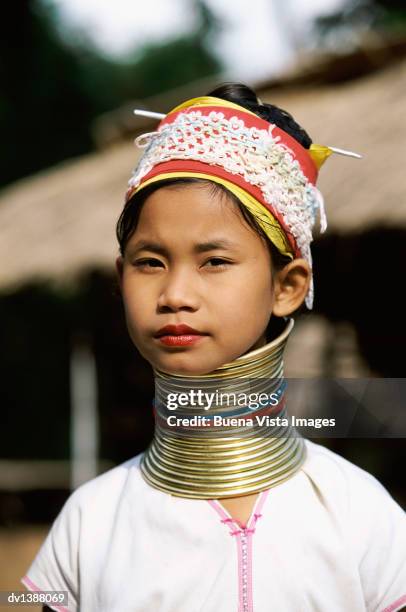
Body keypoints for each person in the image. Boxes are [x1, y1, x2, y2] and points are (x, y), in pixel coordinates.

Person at [21, 83, 406, 612]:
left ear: (287, 286)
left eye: (215, 262)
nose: (175, 295)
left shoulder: (361, 516)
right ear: (120, 275)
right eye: (149, 262)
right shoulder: (89, 525)